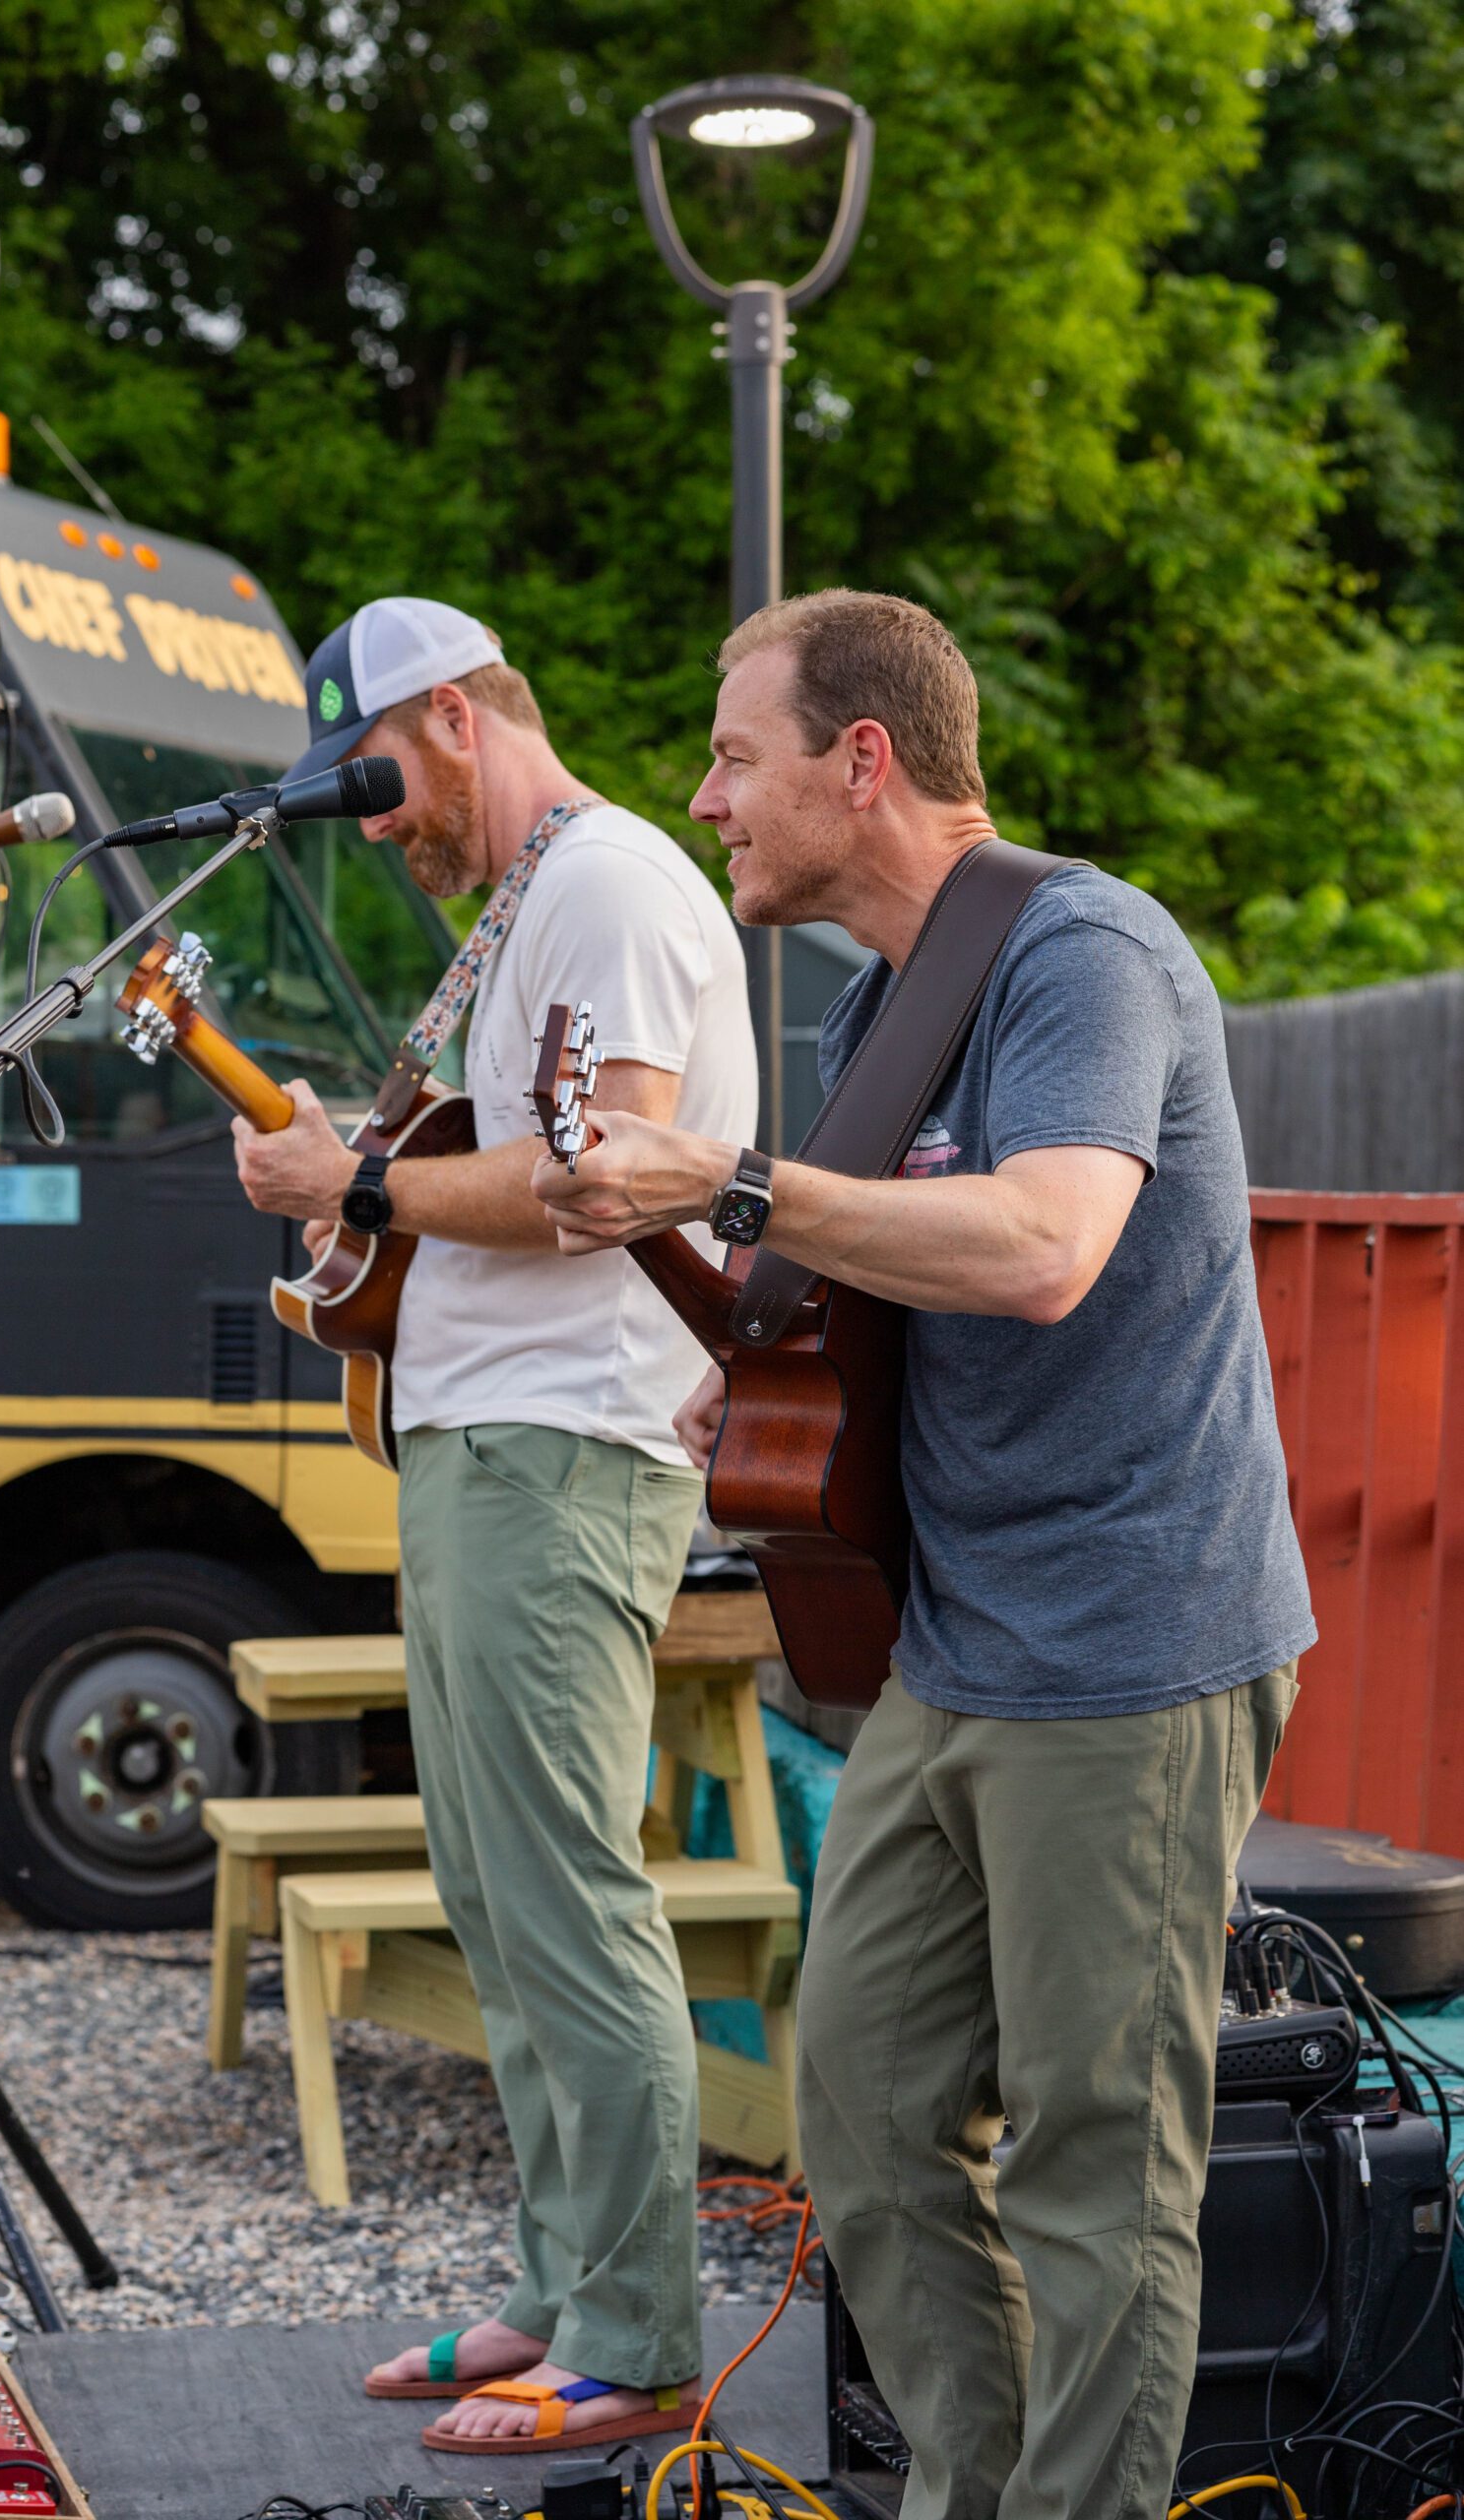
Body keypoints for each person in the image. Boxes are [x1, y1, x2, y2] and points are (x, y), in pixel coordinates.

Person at [532, 588, 1315, 2520]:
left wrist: (717, 1173)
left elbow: (1045, 1247)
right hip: (950, 1644)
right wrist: (781, 1371)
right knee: (865, 2118)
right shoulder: (883, 1004)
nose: (704, 797)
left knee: (1087, 2153)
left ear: (856, 760)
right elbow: (887, 1271)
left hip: (1129, 1643)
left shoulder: (1083, 948)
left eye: (734, 753)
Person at [230, 596, 756, 2452]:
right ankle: (562, 2293)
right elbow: (483, 1170)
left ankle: (633, 2338)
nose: (373, 825)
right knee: (498, 1895)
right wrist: (362, 1205)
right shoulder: (523, 909)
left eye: (375, 783)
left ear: (452, 719)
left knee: (560, 1893)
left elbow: (599, 1177)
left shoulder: (605, 884)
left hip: (564, 1444)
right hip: (483, 1437)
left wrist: (355, 1174)